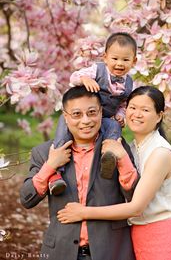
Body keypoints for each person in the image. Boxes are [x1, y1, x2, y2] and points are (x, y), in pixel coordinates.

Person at [57, 86, 171, 260]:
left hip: (164, 235)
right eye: (133, 107)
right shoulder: (132, 147)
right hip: (138, 236)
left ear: (159, 116)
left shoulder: (160, 153)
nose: (137, 114)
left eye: (145, 110)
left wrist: (83, 212)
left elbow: (136, 208)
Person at [20, 86, 138, 260]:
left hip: (112, 250)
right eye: (76, 114)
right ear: (65, 117)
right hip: (61, 251)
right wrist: (51, 165)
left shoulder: (114, 147)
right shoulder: (45, 152)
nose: (85, 121)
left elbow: (135, 196)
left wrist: (122, 157)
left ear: (101, 113)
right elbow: (27, 199)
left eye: (92, 112)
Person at [49, 32, 137, 195]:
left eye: (125, 60)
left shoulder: (130, 83)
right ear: (105, 57)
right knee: (63, 135)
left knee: (114, 126)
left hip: (104, 118)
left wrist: (121, 114)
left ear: (134, 61)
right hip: (84, 113)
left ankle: (108, 157)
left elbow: (124, 103)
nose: (119, 63)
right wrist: (85, 80)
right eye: (115, 58)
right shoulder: (97, 69)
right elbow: (74, 77)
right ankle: (56, 173)